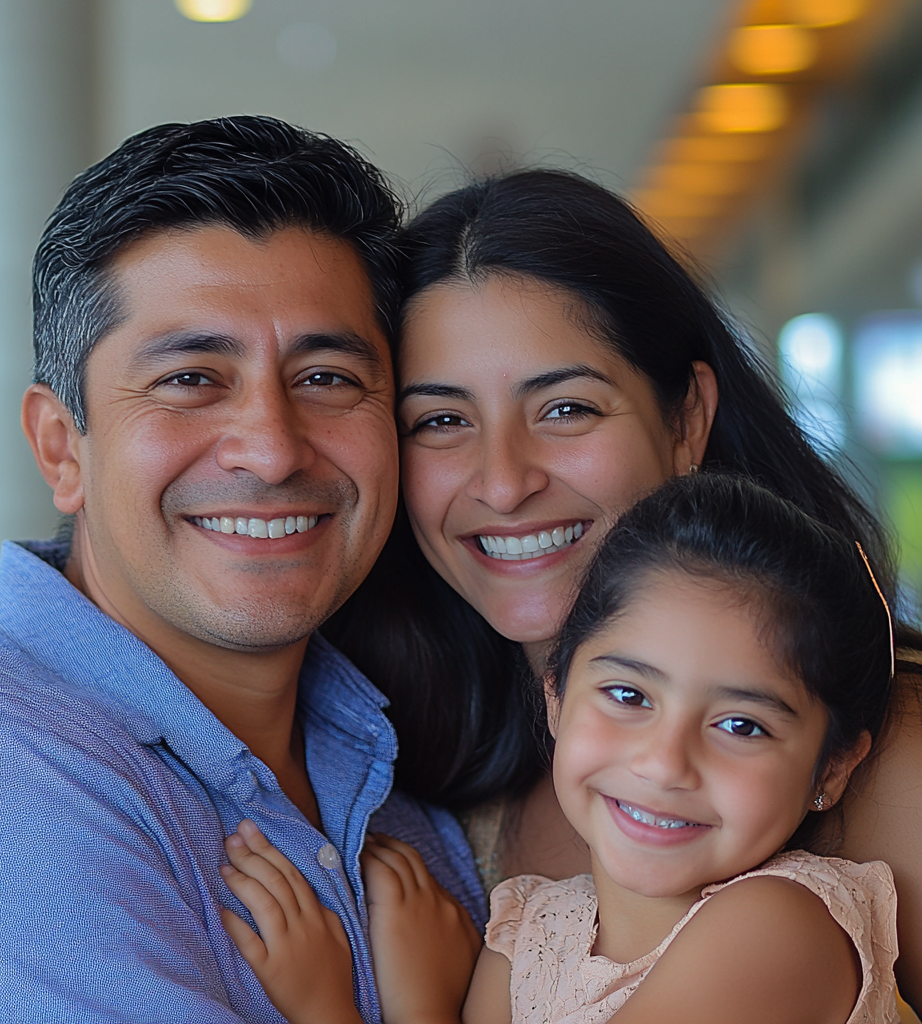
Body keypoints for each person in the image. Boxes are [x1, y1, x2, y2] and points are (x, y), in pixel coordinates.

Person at [0, 115, 483, 1024]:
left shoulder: (398, 787)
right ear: (63, 448)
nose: (273, 450)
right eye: (191, 379)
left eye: (326, 377)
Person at [321, 168, 922, 1007]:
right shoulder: (439, 780)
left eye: (566, 409)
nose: (502, 483)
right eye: (442, 421)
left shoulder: (890, 754)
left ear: (685, 421)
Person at [214, 473, 901, 1024]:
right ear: (556, 698)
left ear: (834, 767)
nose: (664, 762)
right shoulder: (530, 932)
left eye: (741, 726)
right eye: (629, 696)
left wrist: (358, 1008)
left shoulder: (779, 928)